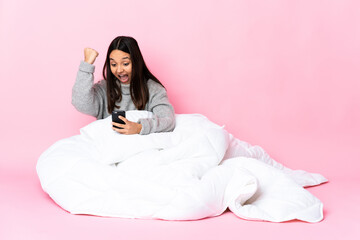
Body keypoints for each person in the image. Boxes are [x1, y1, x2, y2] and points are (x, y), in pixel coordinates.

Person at [72, 36, 176, 135]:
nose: (119, 70)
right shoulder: (104, 88)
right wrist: (86, 66)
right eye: (113, 64)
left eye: (125, 64)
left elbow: (168, 120)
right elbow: (80, 102)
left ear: (136, 62)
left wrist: (139, 128)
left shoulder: (154, 90)